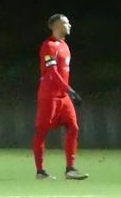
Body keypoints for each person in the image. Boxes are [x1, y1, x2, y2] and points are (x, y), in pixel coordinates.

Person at [33, 13, 89, 180]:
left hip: (63, 96)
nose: (69, 25)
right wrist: (70, 90)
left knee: (73, 127)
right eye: (66, 23)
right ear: (56, 26)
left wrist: (66, 92)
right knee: (42, 131)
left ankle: (70, 169)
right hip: (49, 96)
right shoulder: (48, 46)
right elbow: (52, 72)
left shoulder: (65, 46)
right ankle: (40, 171)